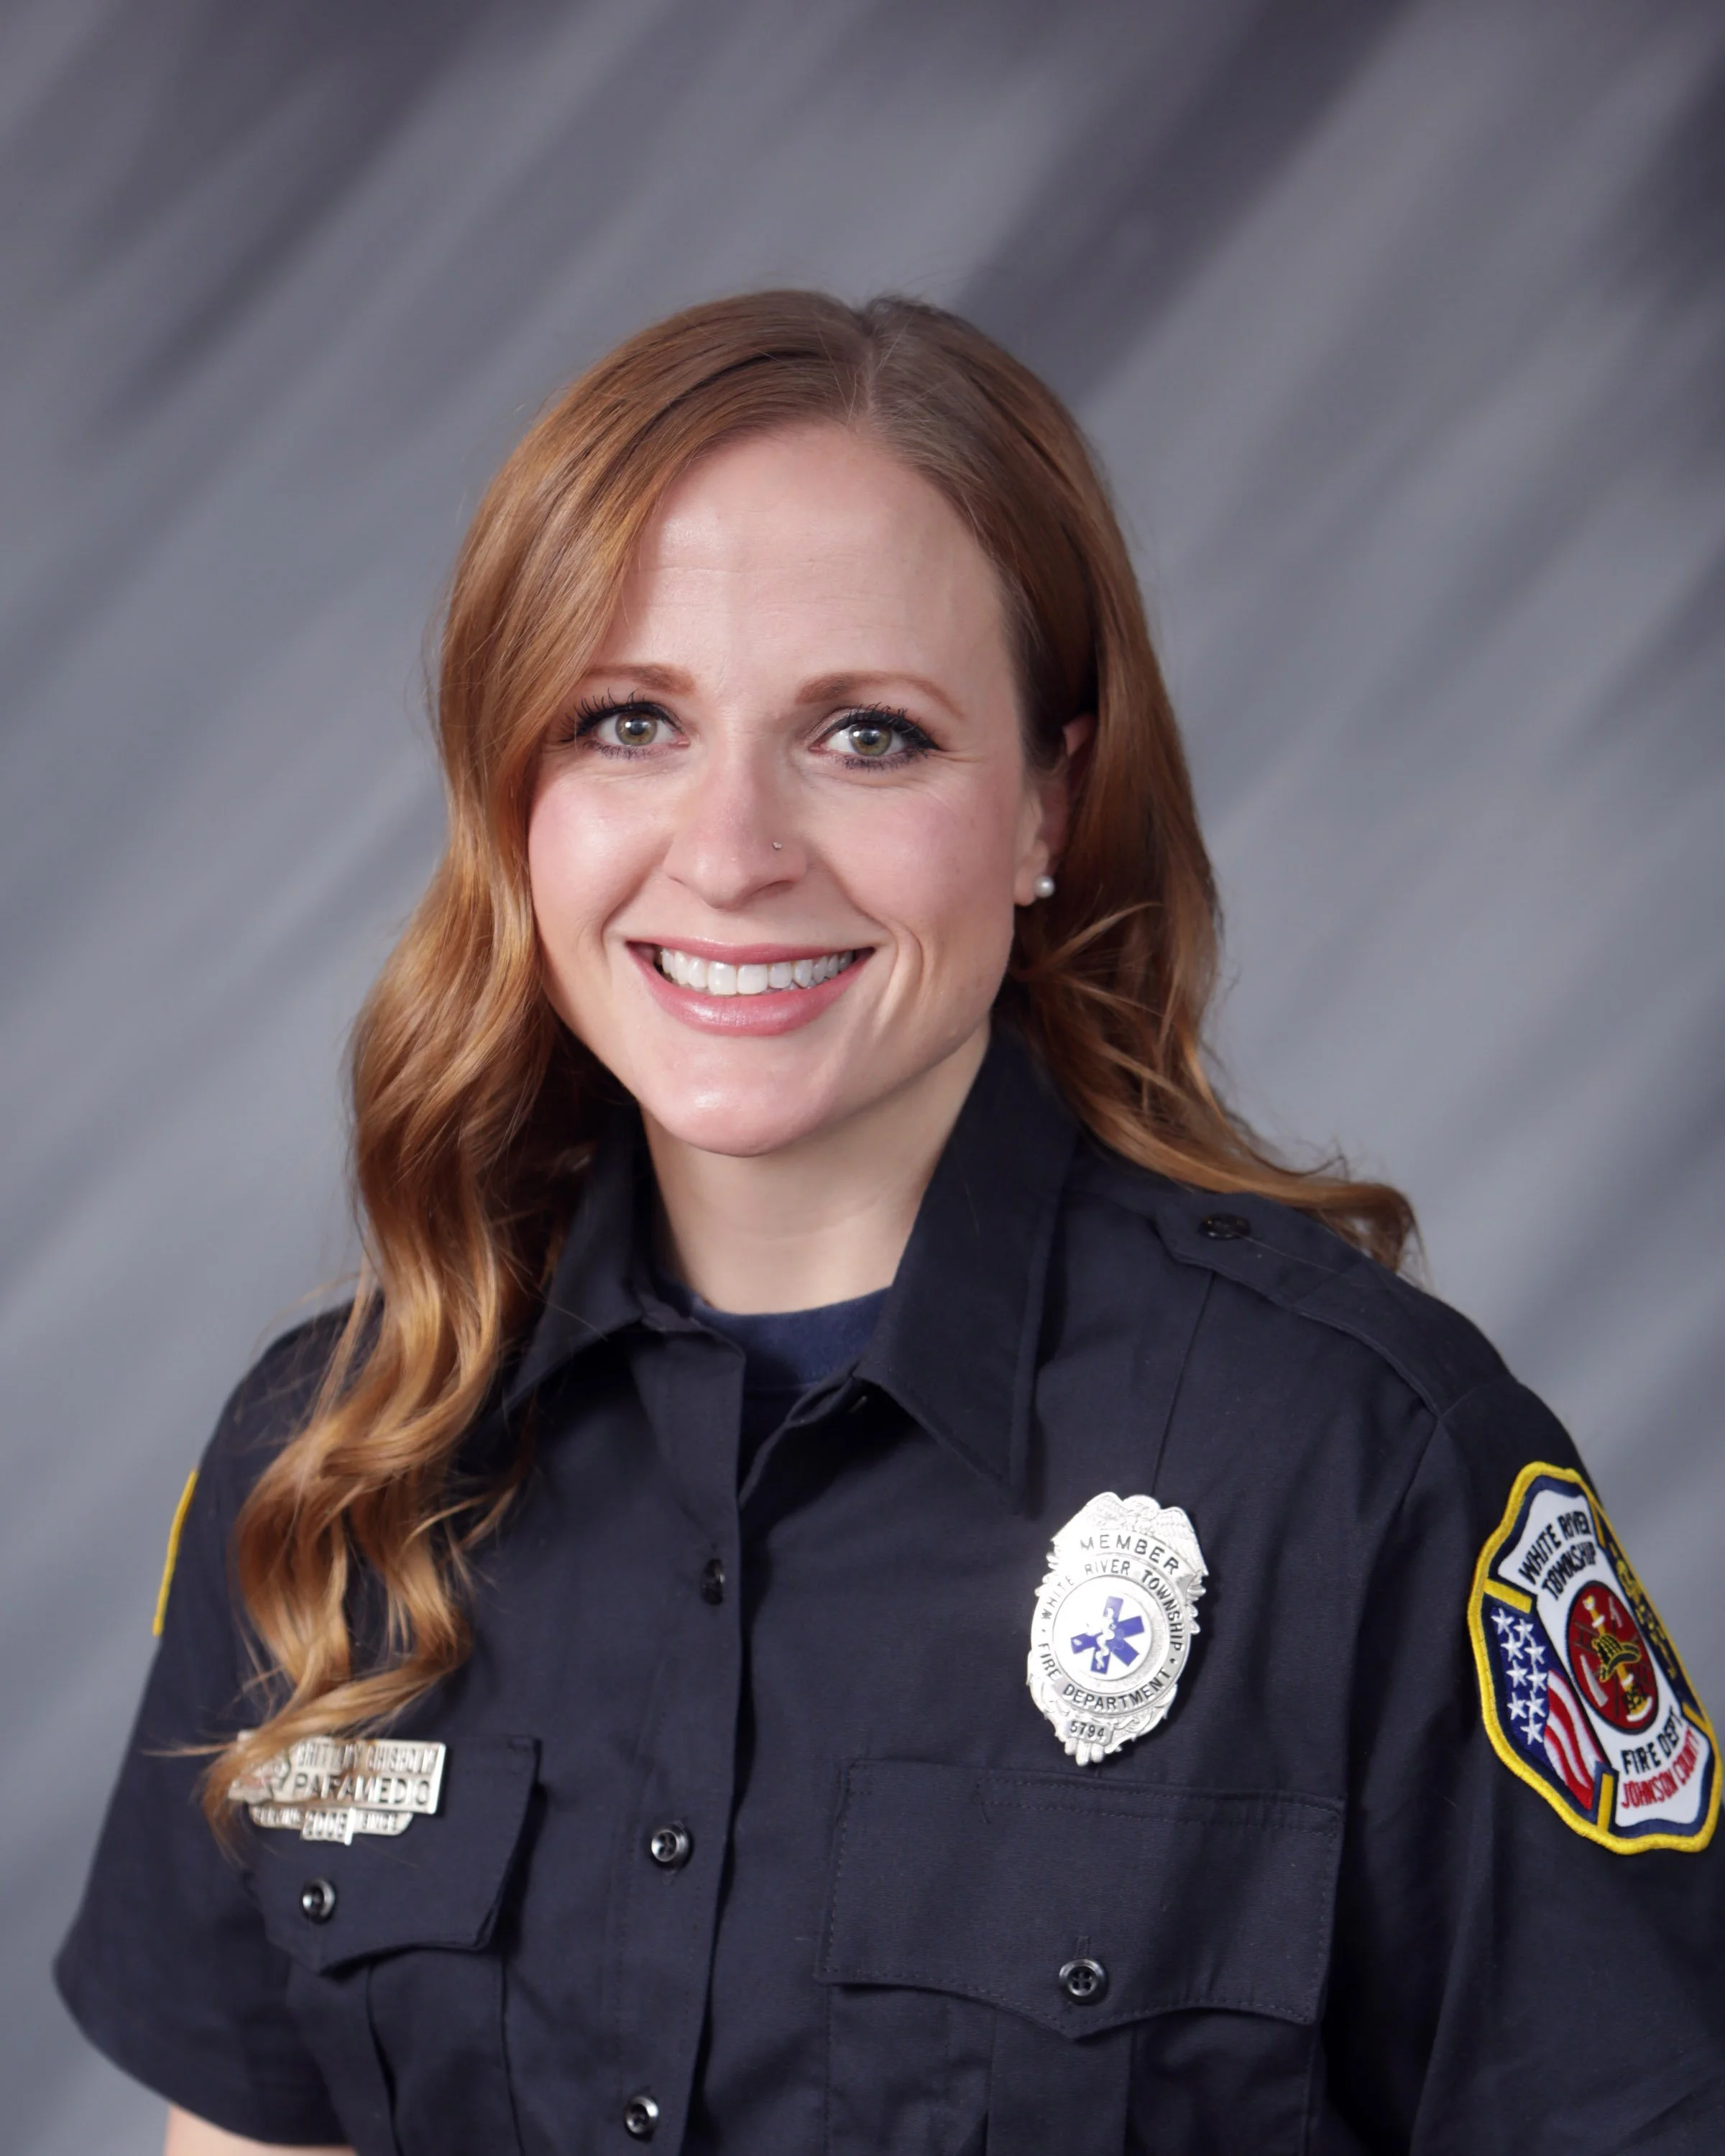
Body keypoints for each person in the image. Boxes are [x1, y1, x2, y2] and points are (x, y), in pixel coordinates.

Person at [56, 291, 1722, 2156]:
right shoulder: (332, 1464)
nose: (734, 849)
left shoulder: (1358, 1475)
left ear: (1047, 804)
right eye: (628, 723)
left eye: (867, 734)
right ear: (515, 798)